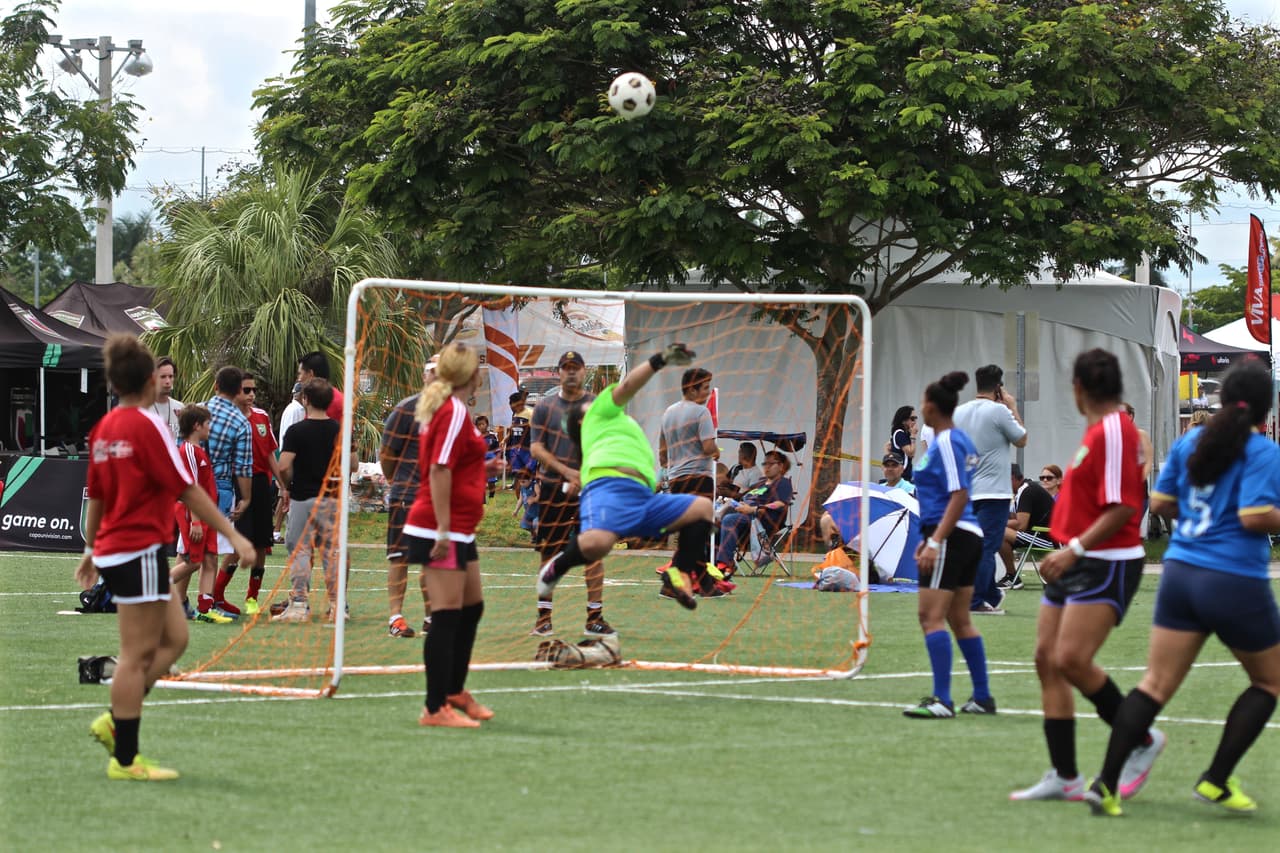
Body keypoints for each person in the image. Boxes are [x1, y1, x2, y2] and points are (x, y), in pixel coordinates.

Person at [1084, 362, 1280, 816]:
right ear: (1264, 406)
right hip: (1232, 579)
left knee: (1154, 684)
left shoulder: (1193, 440)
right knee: (1269, 682)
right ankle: (1215, 778)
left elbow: (1160, 503)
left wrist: (1199, 523)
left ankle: (1105, 783)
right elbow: (1254, 517)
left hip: (1180, 574)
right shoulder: (1261, 449)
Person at [81, 334, 253, 781]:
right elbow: (187, 489)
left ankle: (120, 720)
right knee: (136, 655)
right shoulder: (145, 426)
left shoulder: (105, 429)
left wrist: (91, 548)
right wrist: (234, 532)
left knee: (175, 639)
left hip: (130, 550)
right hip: (137, 549)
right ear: (146, 380)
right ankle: (125, 757)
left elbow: (96, 495)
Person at [1010, 348, 1163, 803]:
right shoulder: (1099, 430)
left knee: (1071, 659)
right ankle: (1065, 774)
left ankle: (1141, 738)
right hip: (1077, 558)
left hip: (1106, 561)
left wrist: (1073, 550)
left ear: (1078, 388)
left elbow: (1123, 509)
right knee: (1046, 658)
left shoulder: (1114, 430)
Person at [536, 343, 714, 611]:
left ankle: (678, 571)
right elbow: (629, 385)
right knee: (598, 544)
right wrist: (660, 358)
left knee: (703, 509)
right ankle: (556, 568)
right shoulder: (597, 411)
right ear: (582, 421)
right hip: (609, 492)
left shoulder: (617, 425)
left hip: (642, 497)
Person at [404, 342, 500, 728]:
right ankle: (434, 707)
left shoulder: (451, 410)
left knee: (471, 608)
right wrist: (442, 530)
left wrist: (486, 467)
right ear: (472, 375)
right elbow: (439, 470)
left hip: (458, 527)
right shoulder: (455, 411)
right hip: (439, 528)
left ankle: (455, 690)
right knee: (444, 616)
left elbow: (452, 463)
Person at [902, 371, 994, 719]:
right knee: (959, 618)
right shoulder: (954, 440)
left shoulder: (947, 442)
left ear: (931, 406)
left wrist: (936, 540)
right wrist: (928, 537)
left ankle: (942, 700)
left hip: (954, 535)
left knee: (930, 616)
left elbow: (959, 494)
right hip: (959, 535)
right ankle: (982, 697)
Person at [529, 350, 613, 638]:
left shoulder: (597, 406)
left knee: (594, 552)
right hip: (554, 488)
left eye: (575, 367)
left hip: (590, 491)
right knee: (549, 553)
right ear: (559, 372)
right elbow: (536, 448)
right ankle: (543, 618)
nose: (571, 372)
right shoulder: (544, 407)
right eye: (566, 368)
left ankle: (594, 617)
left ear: (584, 371)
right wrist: (567, 472)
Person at [274, 378, 350, 622]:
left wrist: (286, 484)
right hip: (332, 499)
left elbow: (284, 465)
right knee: (332, 553)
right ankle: (338, 606)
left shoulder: (297, 431)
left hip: (303, 498)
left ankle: (298, 604)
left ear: (305, 399)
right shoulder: (340, 430)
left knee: (300, 550)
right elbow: (355, 463)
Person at [953, 364, 1027, 614]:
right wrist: (1012, 406)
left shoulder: (959, 413)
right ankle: (976, 602)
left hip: (966, 490)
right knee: (987, 547)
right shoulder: (999, 411)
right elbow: (1022, 439)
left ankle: (990, 595)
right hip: (994, 492)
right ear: (998, 388)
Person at [379, 357, 439, 638]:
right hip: (407, 495)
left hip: (438, 498)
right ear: (424, 376)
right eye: (433, 372)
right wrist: (399, 483)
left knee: (433, 560)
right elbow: (386, 455)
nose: (438, 377)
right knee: (400, 558)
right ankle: (396, 617)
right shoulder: (406, 409)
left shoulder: (454, 411)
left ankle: (431, 618)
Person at [212, 372, 281, 617]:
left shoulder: (262, 417)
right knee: (237, 543)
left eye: (253, 390)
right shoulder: (226, 419)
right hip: (236, 486)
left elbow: (271, 454)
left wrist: (283, 486)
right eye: (246, 390)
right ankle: (217, 594)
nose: (251, 395)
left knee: (261, 544)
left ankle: (252, 597)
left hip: (261, 485)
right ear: (234, 392)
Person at [167, 405, 228, 624]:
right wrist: (195, 521)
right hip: (194, 514)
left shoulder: (198, 449)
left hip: (207, 512)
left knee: (210, 559)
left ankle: (205, 609)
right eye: (207, 424)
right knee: (194, 561)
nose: (210, 428)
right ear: (196, 426)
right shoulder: (189, 451)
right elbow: (191, 487)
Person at [200, 365, 253, 620]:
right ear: (237, 391)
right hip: (220, 486)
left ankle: (182, 600)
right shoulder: (241, 422)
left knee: (186, 550)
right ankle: (208, 603)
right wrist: (246, 498)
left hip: (192, 484)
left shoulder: (197, 409)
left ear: (215, 385)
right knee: (211, 551)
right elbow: (243, 466)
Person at [711, 450, 794, 579]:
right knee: (713, 524)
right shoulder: (760, 483)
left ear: (781, 466)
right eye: (764, 463)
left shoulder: (783, 483)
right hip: (743, 516)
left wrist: (754, 509)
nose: (767, 466)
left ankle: (724, 565)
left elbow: (780, 504)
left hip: (762, 520)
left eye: (771, 463)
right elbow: (742, 497)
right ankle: (710, 563)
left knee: (729, 520)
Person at [998, 463, 1056, 590]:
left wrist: (994, 523)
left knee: (998, 532)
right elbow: (1014, 518)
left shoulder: (1027, 490)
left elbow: (1021, 525)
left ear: (1014, 478)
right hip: (1037, 535)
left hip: (1047, 539)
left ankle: (1012, 576)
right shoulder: (1022, 490)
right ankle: (1012, 576)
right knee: (998, 533)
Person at [274, 381, 305, 544]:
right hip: (292, 457)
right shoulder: (298, 410)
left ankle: (277, 531)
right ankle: (277, 531)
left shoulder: (289, 408)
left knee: (285, 495)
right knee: (285, 495)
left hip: (284, 453)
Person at [297, 350, 345, 421]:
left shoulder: (323, 400)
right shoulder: (335, 397)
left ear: (311, 373)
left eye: (300, 374)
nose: (299, 379)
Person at [502, 390, 536, 485]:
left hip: (528, 450)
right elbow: (513, 429)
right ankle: (521, 498)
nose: (511, 406)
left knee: (529, 476)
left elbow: (537, 431)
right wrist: (505, 439)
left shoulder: (530, 413)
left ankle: (531, 497)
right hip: (516, 450)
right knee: (518, 476)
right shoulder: (515, 414)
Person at [149, 356, 183, 443]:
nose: (168, 381)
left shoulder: (180, 408)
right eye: (163, 377)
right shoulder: (144, 409)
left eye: (171, 376)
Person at [888, 405, 918, 482]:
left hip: (904, 474)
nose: (914, 422)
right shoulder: (899, 433)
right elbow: (910, 453)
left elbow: (912, 454)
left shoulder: (905, 434)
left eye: (915, 419)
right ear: (903, 420)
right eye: (912, 419)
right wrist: (913, 436)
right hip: (902, 476)